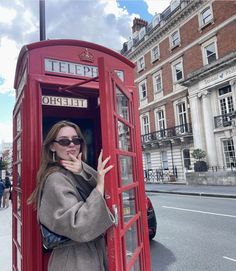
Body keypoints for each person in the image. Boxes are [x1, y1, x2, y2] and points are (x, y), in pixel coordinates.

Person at [28, 120, 115, 271]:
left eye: (76, 140)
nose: (71, 145)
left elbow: (108, 192)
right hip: (74, 261)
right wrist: (99, 186)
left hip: (90, 255)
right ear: (52, 147)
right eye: (64, 141)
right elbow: (79, 225)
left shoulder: (72, 172)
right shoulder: (56, 179)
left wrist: (82, 170)